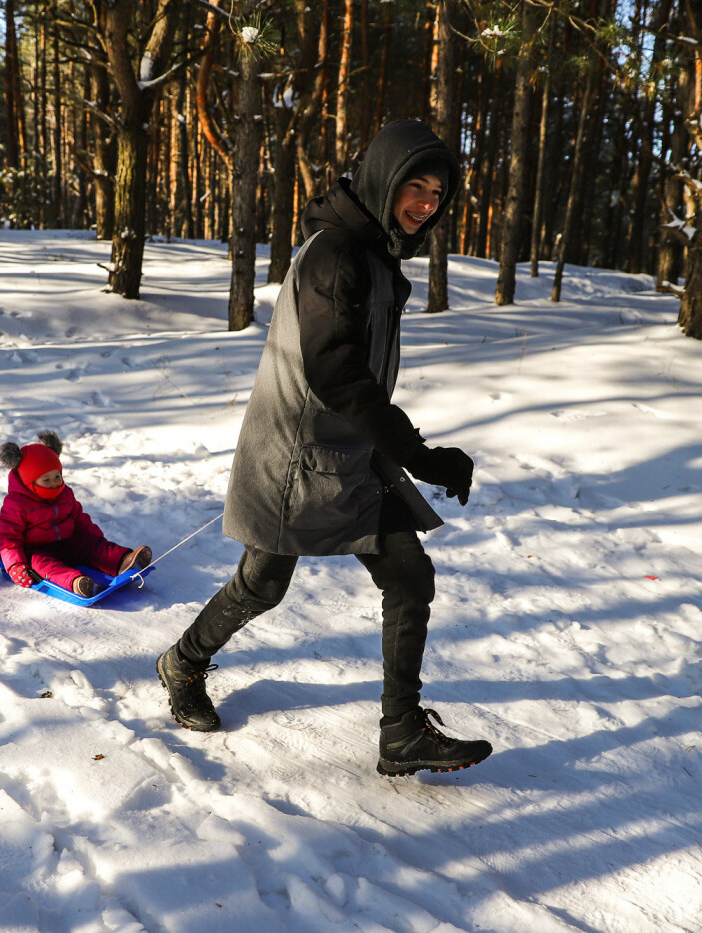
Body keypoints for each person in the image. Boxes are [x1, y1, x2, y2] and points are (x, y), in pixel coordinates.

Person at [156, 119, 492, 777]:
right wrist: (421, 455)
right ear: (384, 179)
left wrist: (397, 450)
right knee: (263, 584)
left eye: (437, 193)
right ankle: (183, 661)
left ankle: (400, 731)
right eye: (414, 187)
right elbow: (336, 369)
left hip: (354, 452)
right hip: (296, 458)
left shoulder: (373, 250)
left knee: (408, 573)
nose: (426, 203)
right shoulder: (338, 254)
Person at [0, 431, 150, 597]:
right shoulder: (16, 504)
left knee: (92, 546)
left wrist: (96, 541)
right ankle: (77, 583)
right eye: (46, 480)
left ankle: (124, 561)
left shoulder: (65, 493)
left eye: (57, 476)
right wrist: (15, 565)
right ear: (29, 482)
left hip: (68, 543)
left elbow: (79, 519)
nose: (54, 483)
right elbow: (9, 540)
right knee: (44, 565)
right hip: (37, 551)